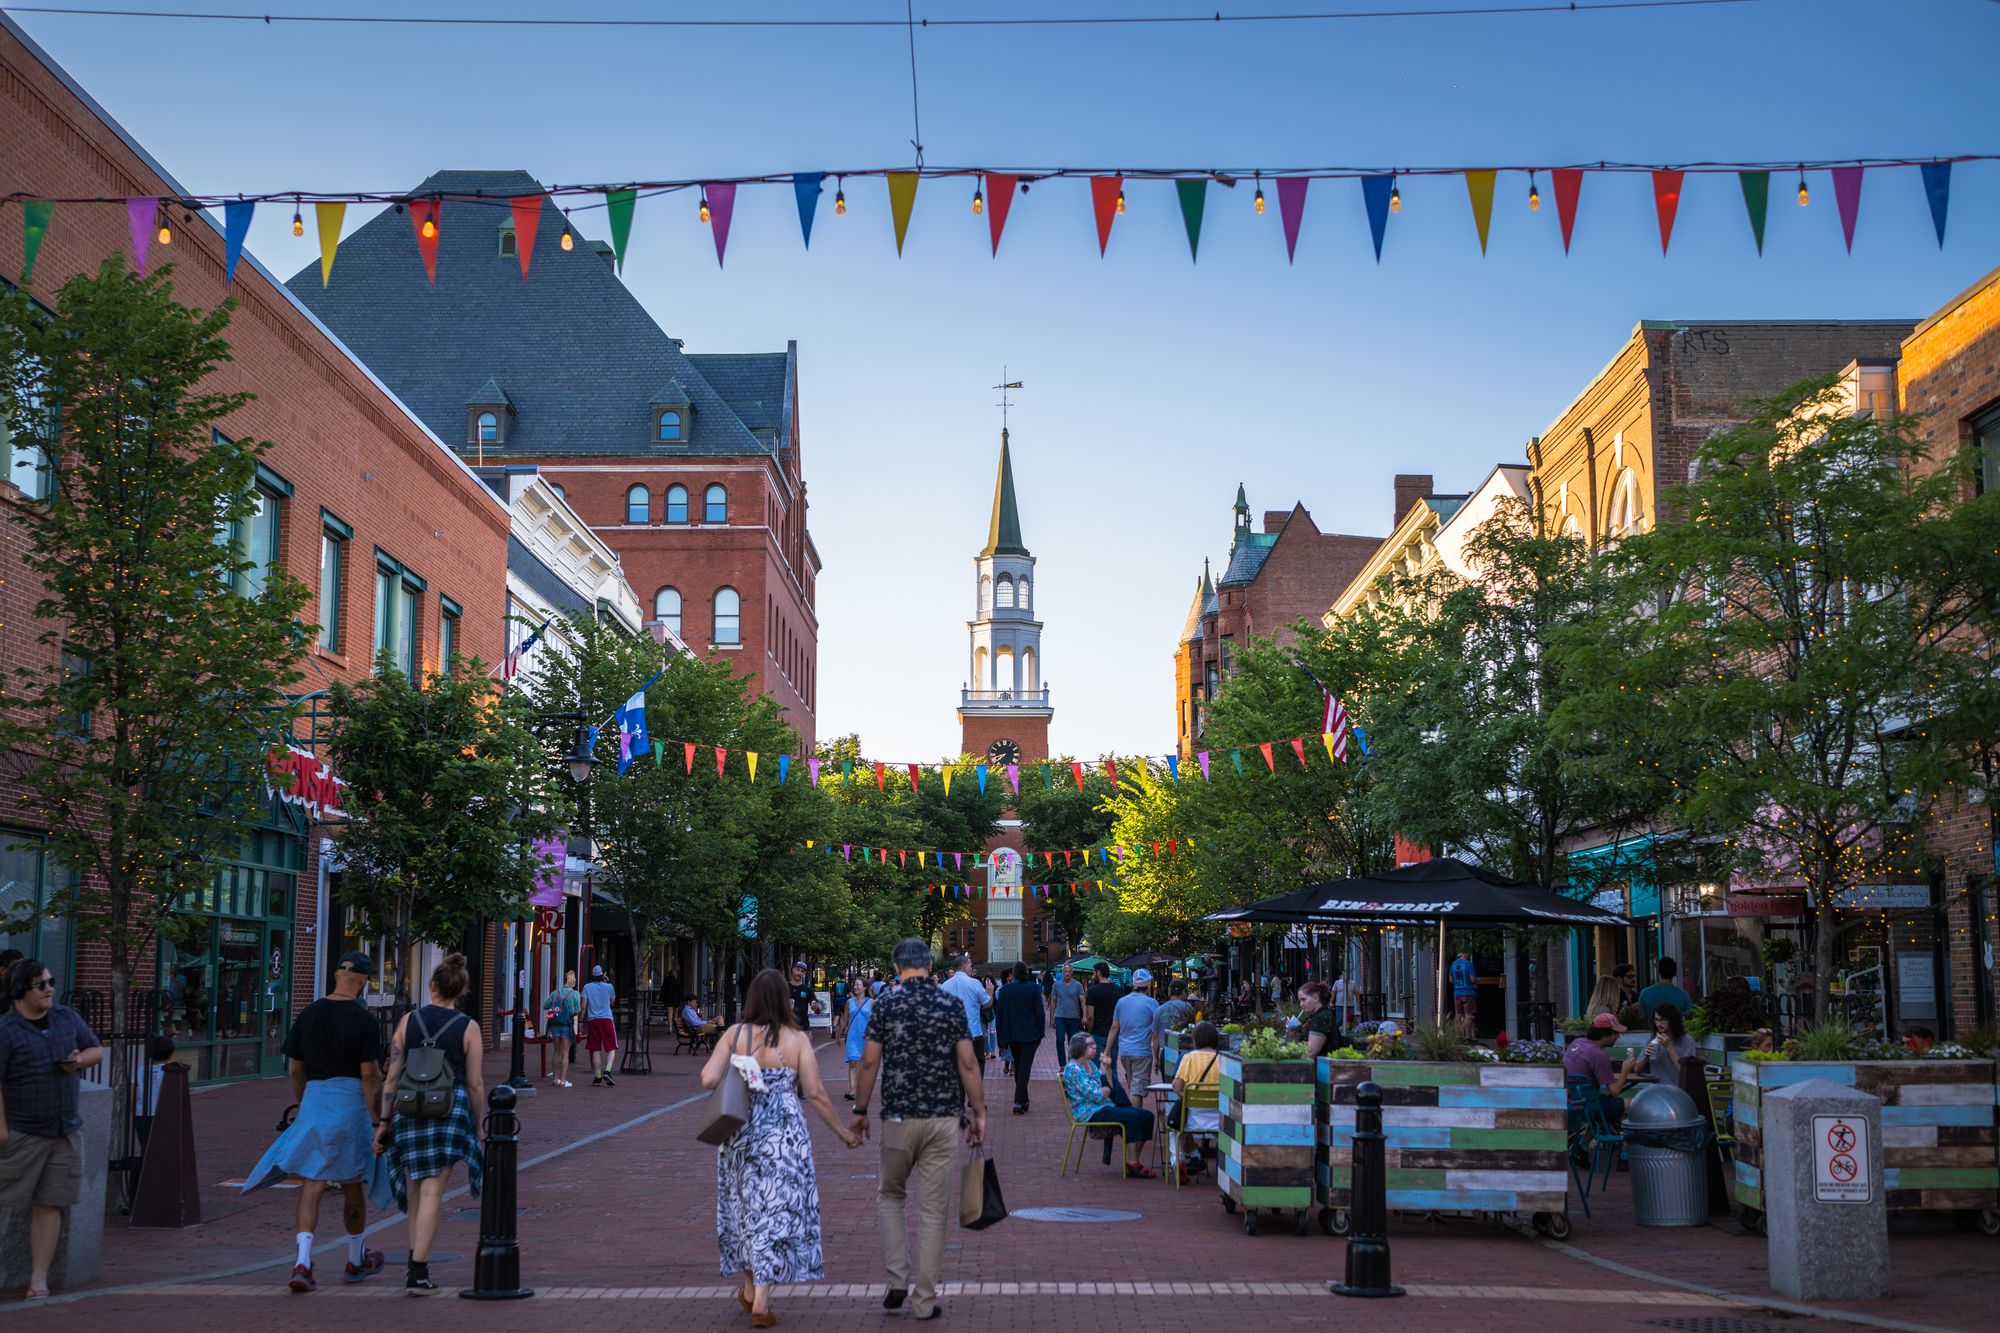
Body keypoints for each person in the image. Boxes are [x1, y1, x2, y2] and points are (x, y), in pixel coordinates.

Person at [702, 969, 859, 1327]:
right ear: (785, 999)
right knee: (776, 1212)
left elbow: (708, 1079)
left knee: (743, 1208)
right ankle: (760, 1297)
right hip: (784, 1137)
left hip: (740, 1132)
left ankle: (748, 1287)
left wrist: (740, 1067)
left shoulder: (734, 1034)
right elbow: (816, 1092)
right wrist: (842, 1132)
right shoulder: (796, 1039)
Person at [848, 938, 985, 1322]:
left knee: (891, 1195)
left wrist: (860, 1110)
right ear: (928, 965)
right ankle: (925, 1299)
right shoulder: (950, 1003)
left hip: (898, 1118)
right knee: (932, 1210)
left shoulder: (887, 1003)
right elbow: (968, 1063)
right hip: (943, 1120)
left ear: (897, 968)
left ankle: (897, 1278)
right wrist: (980, 1112)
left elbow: (870, 1062)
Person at [240, 952, 383, 1293]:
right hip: (350, 1104)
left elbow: (294, 1068)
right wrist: (376, 1116)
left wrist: (304, 1101)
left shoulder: (309, 1013)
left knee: (312, 1183)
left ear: (336, 975)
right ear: (363, 981)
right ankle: (354, 1256)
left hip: (316, 1101)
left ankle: (302, 1262)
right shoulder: (365, 1021)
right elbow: (368, 1076)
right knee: (352, 1183)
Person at [377, 953, 485, 1296]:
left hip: (409, 1109)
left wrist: (384, 1122)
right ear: (461, 990)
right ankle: (418, 1272)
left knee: (417, 1188)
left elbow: (392, 1074)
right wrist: (478, 1124)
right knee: (433, 1191)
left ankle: (415, 1262)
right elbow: (475, 1084)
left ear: (432, 985)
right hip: (448, 1111)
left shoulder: (408, 1021)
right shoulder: (468, 1027)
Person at [0, 959, 104, 1299]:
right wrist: (1, 1130)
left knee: (51, 1203)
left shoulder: (65, 1017)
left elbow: (96, 1049)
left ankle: (38, 1281)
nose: (49, 989)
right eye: (40, 985)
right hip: (23, 1132)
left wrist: (78, 1061)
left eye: (50, 981)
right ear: (19, 991)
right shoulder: (6, 1031)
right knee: (6, 1203)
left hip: (65, 1130)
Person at [1060, 1034, 1156, 1178]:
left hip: (1103, 1106)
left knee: (1147, 1116)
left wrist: (1108, 1069)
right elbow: (1095, 1095)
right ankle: (1133, 1162)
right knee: (1131, 1117)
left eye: (1094, 1043)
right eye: (1090, 1045)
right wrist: (1105, 1091)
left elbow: (1110, 1088)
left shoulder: (1090, 1065)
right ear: (1080, 1048)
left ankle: (1132, 1161)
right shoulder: (1073, 1069)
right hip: (1089, 1112)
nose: (1095, 1047)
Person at [1168, 1020, 1224, 1182]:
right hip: (1219, 1118)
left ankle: (1177, 1160)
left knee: (1175, 1130)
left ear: (1196, 1039)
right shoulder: (1225, 1059)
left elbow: (1177, 1086)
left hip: (1192, 1116)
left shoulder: (1189, 1058)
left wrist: (1186, 1096)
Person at [1563, 1011, 1640, 1127]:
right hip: (1587, 1107)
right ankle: (1630, 1140)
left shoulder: (1577, 1042)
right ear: (1606, 1033)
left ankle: (1585, 1142)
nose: (1618, 1037)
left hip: (1571, 1102)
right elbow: (1615, 1092)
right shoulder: (1598, 1055)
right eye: (1616, 1033)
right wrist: (1625, 1069)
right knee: (1636, 1105)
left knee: (1606, 1102)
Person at [1103, 968, 1161, 1110]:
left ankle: (1135, 1118)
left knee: (1133, 1086)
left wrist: (1106, 1051)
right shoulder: (1152, 1003)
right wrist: (1156, 1057)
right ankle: (1135, 1123)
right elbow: (1155, 1034)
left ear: (1134, 984)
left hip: (1125, 1051)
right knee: (1136, 1090)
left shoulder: (1121, 1002)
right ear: (1148, 985)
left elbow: (1114, 1028)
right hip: (1141, 1052)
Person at [993, 962, 1045, 1114]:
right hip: (1030, 1035)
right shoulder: (1034, 988)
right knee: (1024, 1067)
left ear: (1014, 973)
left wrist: (1000, 1040)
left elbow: (1000, 1016)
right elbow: (1040, 1013)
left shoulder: (1005, 990)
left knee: (1020, 1066)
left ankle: (1024, 1100)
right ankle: (1017, 1102)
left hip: (1012, 1035)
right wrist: (1041, 1032)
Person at [938, 953, 988, 1074]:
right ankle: (974, 1090)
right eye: (970, 965)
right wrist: (990, 993)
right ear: (965, 967)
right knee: (977, 1064)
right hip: (973, 1033)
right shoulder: (974, 983)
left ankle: (959, 1092)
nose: (972, 968)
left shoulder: (945, 985)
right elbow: (986, 1003)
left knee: (955, 1068)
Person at [133, 1034, 175, 1153]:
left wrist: (133, 1109)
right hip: (160, 1113)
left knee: (146, 1148)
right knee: (161, 1148)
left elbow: (133, 1093)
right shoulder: (169, 1071)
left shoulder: (140, 1070)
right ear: (171, 1054)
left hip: (141, 1113)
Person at [1642, 1002, 1696, 1087]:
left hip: (1678, 1091)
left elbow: (1686, 1074)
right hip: (1656, 1091)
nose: (1659, 1024)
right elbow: (1636, 1069)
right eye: (1656, 1019)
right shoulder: (1652, 1039)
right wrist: (1646, 1056)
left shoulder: (1687, 1041)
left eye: (1662, 1019)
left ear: (1672, 1020)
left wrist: (1669, 1047)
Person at [1082, 963, 1122, 1077]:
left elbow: (1090, 1016)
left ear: (1099, 972)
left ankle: (1096, 1092)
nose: (1093, 975)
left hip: (1098, 1033)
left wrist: (1090, 1031)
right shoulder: (1118, 990)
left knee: (1094, 1067)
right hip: (1113, 1034)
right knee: (1112, 1066)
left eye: (1094, 972)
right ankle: (1114, 1092)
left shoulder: (1093, 991)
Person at [544, 969, 581, 1089]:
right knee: (565, 1053)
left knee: (556, 1052)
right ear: (574, 981)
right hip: (566, 1025)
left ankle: (555, 1078)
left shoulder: (556, 992)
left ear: (565, 980)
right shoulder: (575, 994)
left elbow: (546, 1005)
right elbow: (577, 1010)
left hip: (554, 1024)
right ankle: (563, 1081)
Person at [582, 964, 618, 1086]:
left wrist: (582, 1021)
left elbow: (583, 1006)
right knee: (611, 1047)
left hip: (593, 1020)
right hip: (606, 1019)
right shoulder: (609, 987)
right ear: (603, 975)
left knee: (595, 1048)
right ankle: (607, 1070)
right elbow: (613, 1002)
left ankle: (597, 1076)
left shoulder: (587, 987)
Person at [843, 981, 876, 1101]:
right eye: (855, 985)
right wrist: (839, 1033)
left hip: (866, 1037)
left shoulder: (872, 1002)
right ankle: (852, 1091)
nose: (855, 987)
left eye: (858, 985)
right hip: (852, 1036)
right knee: (852, 1062)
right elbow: (845, 1018)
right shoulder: (849, 1002)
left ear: (865, 987)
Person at [1637, 957, 1693, 1022]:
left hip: (1651, 1031)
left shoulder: (1645, 994)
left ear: (1658, 972)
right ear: (1674, 973)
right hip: (1675, 1031)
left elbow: (1641, 1018)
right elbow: (1690, 1018)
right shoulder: (1683, 996)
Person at [1296, 981, 1343, 1057]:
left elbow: (1311, 1052)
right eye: (1300, 1001)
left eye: (1303, 999)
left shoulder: (1322, 1018)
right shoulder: (1318, 1015)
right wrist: (1292, 1034)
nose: (1301, 1004)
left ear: (1315, 998)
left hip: (1320, 1067)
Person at [1048, 965, 1085, 1058]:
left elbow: (1083, 1001)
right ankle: (1062, 1064)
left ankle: (1071, 1062)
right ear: (1062, 972)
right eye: (1065, 971)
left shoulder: (1078, 985)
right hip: (1060, 1016)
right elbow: (1053, 1001)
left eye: (1069, 971)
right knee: (1060, 1039)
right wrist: (1052, 1018)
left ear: (1072, 972)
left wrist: (1084, 1015)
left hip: (1074, 1017)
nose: (1067, 973)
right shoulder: (1056, 985)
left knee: (1072, 1042)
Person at [1449, 947, 1478, 1035]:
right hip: (1468, 992)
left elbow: (1451, 980)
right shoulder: (1469, 964)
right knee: (1468, 1015)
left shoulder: (1453, 964)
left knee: (1458, 1014)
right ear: (1466, 953)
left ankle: (1456, 1036)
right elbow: (1472, 979)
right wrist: (1477, 980)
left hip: (1457, 993)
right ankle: (1467, 1036)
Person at [789, 961, 815, 1032]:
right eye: (797, 969)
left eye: (802, 971)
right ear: (793, 969)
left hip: (803, 1028)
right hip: (787, 1027)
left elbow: (816, 1009)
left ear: (804, 974)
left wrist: (816, 1007)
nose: (799, 973)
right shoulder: (784, 987)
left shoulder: (808, 990)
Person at [830, 974, 849, 1040]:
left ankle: (834, 1029)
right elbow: (850, 994)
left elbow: (832, 993)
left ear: (839, 977)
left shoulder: (835, 984)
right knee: (845, 1017)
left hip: (836, 1001)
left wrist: (833, 999)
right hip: (844, 1002)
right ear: (845, 977)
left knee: (836, 1016)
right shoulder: (846, 984)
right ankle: (842, 1033)